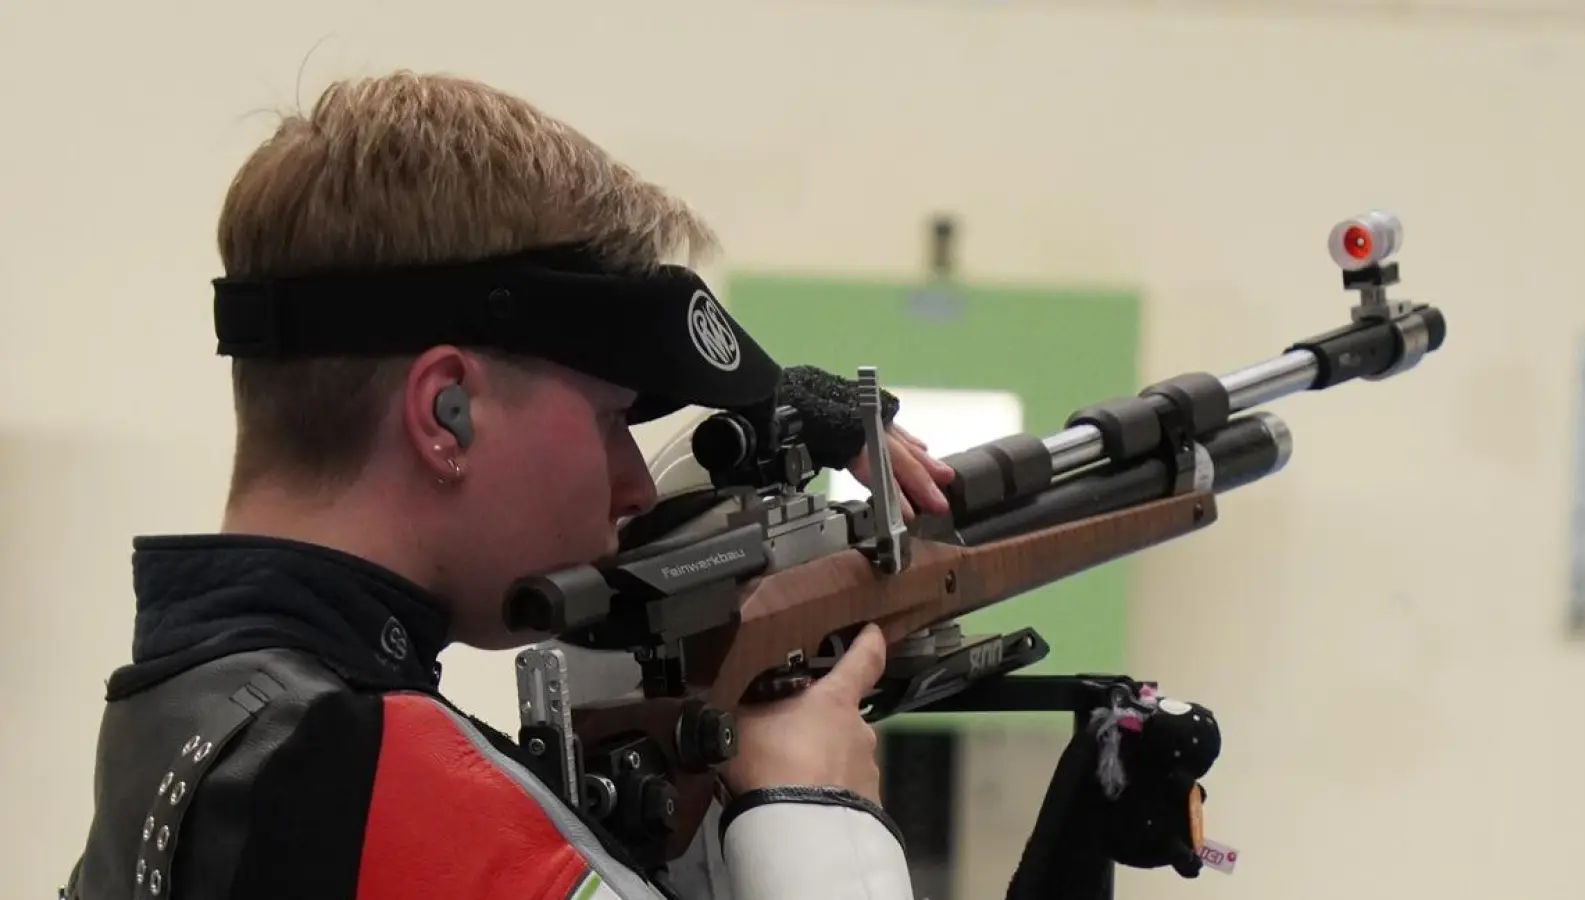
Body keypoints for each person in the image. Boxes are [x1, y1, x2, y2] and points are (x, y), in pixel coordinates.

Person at [61, 71, 960, 900]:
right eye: (612, 419)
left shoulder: (186, 714)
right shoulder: (383, 773)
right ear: (446, 412)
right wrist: (817, 812)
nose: (635, 485)